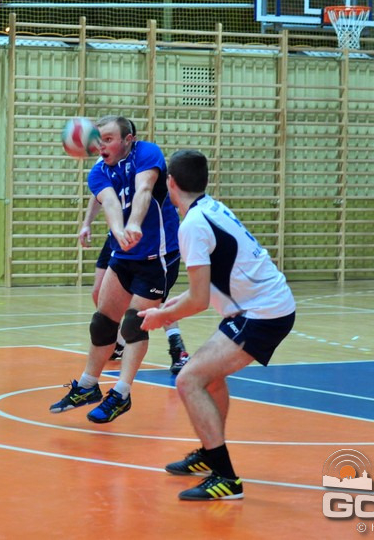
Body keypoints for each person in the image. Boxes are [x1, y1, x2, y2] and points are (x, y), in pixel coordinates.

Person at [138, 149, 296, 501]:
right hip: (260, 307)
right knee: (209, 378)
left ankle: (226, 478)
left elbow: (198, 300)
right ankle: (211, 455)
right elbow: (204, 288)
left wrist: (161, 317)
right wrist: (168, 307)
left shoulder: (193, 225)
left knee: (188, 380)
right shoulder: (210, 209)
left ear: (170, 183)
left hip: (262, 313)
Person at [50, 115, 182, 423]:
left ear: (128, 140)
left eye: (108, 139)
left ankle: (121, 393)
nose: (101, 145)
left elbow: (144, 189)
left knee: (133, 324)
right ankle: (87, 386)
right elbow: (109, 202)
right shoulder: (98, 171)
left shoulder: (146, 152)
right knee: (102, 322)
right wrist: (118, 230)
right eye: (99, 139)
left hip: (158, 257)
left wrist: (134, 223)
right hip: (124, 255)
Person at [78, 194, 189, 372]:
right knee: (99, 292)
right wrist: (86, 223)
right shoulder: (108, 175)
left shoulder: (153, 177)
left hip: (155, 238)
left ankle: (177, 347)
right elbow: (100, 194)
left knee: (151, 301)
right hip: (120, 235)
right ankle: (120, 342)